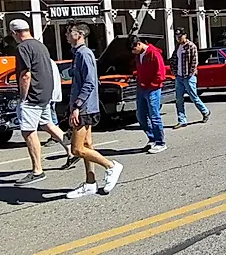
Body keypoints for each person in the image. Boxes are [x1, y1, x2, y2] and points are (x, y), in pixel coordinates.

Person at [64, 23, 122, 198]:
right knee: (87, 144)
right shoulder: (78, 54)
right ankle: (90, 183)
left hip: (85, 108)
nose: (66, 35)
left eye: (69, 32)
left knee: (76, 149)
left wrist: (77, 106)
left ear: (79, 34)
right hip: (83, 106)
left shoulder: (84, 54)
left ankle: (111, 166)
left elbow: (89, 82)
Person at [10, 19, 54, 186]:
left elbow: (25, 75)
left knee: (28, 131)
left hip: (32, 95)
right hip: (45, 92)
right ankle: (71, 151)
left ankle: (37, 170)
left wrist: (23, 97)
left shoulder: (22, 47)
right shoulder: (40, 45)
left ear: (15, 33)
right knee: (47, 124)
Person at [40, 59, 80, 170]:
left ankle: (37, 168)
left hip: (44, 97)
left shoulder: (43, 62)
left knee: (48, 123)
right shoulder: (49, 62)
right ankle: (70, 149)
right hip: (50, 96)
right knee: (48, 124)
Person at [131, 35, 167, 154]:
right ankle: (152, 138)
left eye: (134, 49)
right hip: (142, 88)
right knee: (141, 115)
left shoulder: (154, 53)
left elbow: (161, 72)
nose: (133, 52)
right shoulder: (139, 55)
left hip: (153, 88)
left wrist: (153, 85)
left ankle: (160, 142)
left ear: (139, 44)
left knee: (154, 115)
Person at [169, 29, 210, 129]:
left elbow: (194, 62)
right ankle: (182, 120)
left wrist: (190, 74)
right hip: (179, 77)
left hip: (188, 77)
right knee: (179, 99)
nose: (178, 38)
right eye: (177, 36)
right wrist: (174, 71)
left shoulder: (191, 46)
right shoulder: (178, 47)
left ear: (185, 35)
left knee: (193, 97)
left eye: (180, 36)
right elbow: (174, 59)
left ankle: (205, 111)